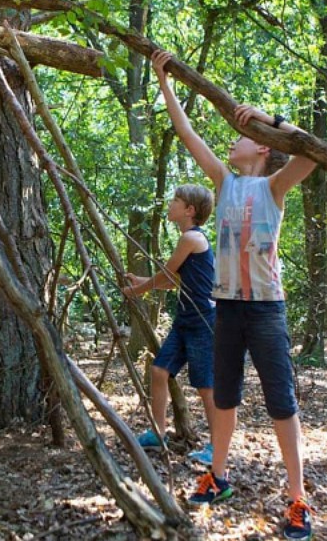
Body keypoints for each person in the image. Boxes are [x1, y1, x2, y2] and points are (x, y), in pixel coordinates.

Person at [151, 49, 317, 541]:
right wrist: (164, 80)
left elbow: (313, 150)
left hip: (266, 310)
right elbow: (186, 133)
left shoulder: (275, 186)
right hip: (224, 308)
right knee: (224, 396)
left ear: (263, 148)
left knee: (281, 402)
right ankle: (217, 476)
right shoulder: (223, 184)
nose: (235, 136)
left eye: (245, 136)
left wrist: (268, 119)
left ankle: (298, 498)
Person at [122, 184, 217, 466]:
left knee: (205, 386)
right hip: (185, 320)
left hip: (203, 321)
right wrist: (142, 283)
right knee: (159, 370)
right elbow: (173, 280)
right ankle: (158, 431)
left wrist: (138, 291)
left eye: (176, 200)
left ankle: (216, 446)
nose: (170, 204)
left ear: (189, 210)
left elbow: (166, 273)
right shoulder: (187, 240)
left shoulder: (191, 238)